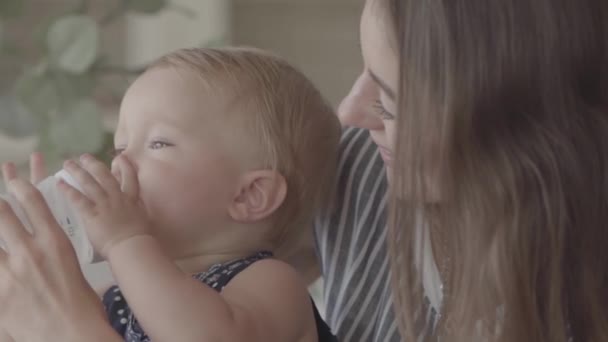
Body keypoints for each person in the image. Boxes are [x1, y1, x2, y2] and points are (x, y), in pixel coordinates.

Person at [1, 0, 608, 341]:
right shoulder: (369, 168)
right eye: (121, 144)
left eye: (391, 98)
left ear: (251, 195)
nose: (351, 114)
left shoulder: (262, 286)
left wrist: (88, 305)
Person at [0, 46, 340, 342]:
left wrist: (124, 241)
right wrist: (36, 275)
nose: (120, 166)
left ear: (249, 195)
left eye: (158, 143)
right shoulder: (116, 300)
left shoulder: (273, 284)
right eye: (120, 148)